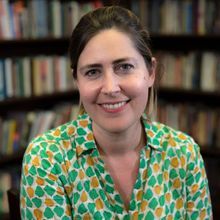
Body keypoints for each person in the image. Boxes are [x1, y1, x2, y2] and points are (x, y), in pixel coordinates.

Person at [20, 5, 212, 219]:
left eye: (125, 67)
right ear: (77, 81)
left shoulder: (184, 153)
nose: (110, 88)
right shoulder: (47, 160)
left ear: (150, 72)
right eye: (93, 72)